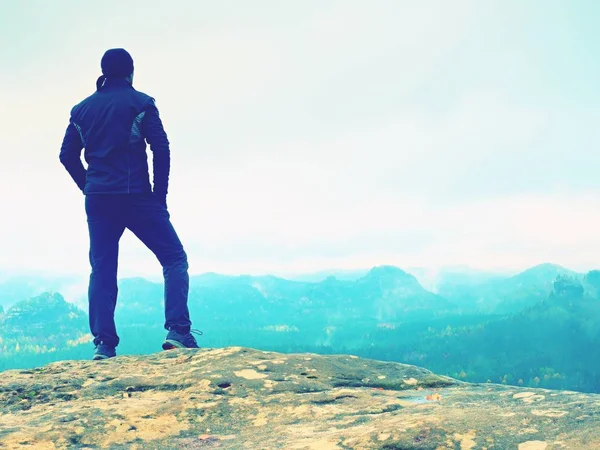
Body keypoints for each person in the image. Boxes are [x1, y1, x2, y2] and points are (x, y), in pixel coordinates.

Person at [59, 48, 201, 360]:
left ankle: (104, 346)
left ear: (103, 73)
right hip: (136, 197)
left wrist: (89, 186)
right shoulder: (141, 103)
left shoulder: (81, 110)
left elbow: (66, 155)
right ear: (131, 72)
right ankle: (178, 331)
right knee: (174, 258)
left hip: (98, 201)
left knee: (102, 269)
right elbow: (160, 148)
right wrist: (159, 197)